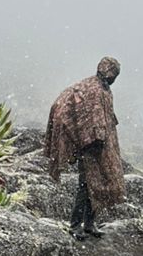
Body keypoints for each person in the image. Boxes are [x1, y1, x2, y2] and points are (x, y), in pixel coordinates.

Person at [44, 56, 126, 241]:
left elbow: (105, 115)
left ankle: (89, 223)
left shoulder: (103, 89)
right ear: (108, 71)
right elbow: (93, 117)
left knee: (97, 185)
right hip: (91, 145)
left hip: (100, 145)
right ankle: (75, 225)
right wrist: (96, 138)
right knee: (86, 185)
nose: (114, 78)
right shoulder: (95, 89)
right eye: (114, 74)